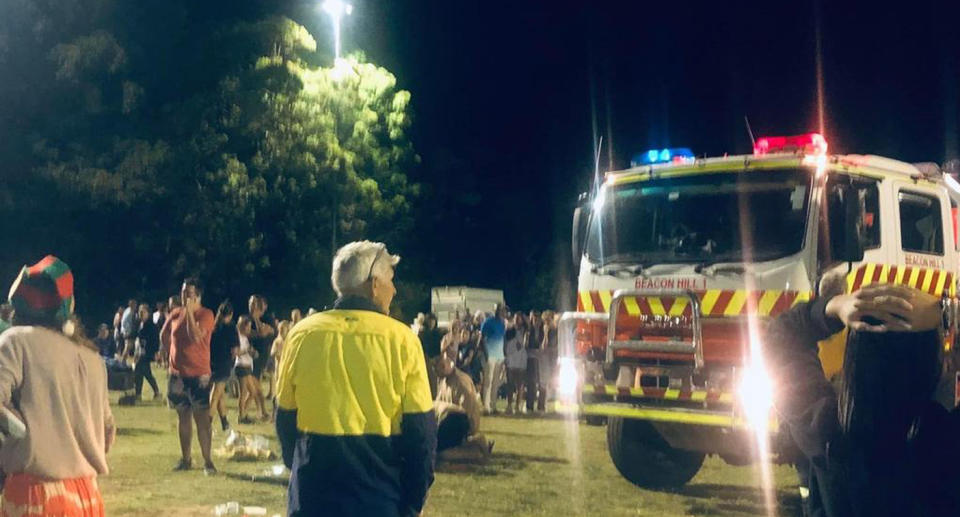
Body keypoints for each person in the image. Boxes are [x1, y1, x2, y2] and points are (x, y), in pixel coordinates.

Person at [765, 281, 960, 517]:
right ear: (935, 361)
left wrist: (834, 307)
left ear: (856, 358)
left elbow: (780, 338)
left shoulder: (825, 432)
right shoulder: (946, 444)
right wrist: (948, 312)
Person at [276, 240, 436, 517]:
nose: (394, 289)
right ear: (374, 284)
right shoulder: (402, 340)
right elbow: (420, 435)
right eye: (391, 280)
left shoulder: (301, 335)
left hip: (312, 495)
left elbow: (285, 421)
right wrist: (412, 504)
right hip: (378, 497)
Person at [0, 255, 115, 516]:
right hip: (87, 496)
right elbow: (107, 434)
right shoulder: (91, 357)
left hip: (34, 495)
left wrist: (20, 432)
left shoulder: (16, 341)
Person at [160, 277, 217, 474]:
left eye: (189, 293)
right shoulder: (175, 313)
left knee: (202, 419)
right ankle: (186, 459)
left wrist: (190, 314)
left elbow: (195, 336)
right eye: (184, 292)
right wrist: (171, 355)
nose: (185, 296)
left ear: (198, 295)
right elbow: (164, 334)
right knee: (183, 416)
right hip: (178, 375)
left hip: (199, 375)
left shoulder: (206, 315)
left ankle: (208, 461)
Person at [209, 300, 237, 432]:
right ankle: (207, 423)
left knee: (220, 394)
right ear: (230, 314)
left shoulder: (213, 327)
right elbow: (234, 350)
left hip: (212, 362)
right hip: (224, 363)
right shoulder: (231, 327)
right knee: (216, 394)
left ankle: (225, 422)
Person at [235, 315, 267, 423]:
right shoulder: (238, 337)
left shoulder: (245, 338)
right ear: (242, 326)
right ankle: (241, 416)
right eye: (248, 327)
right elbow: (237, 352)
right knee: (243, 393)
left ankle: (243, 414)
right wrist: (247, 350)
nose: (249, 329)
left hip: (248, 366)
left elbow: (246, 350)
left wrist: (252, 353)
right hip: (241, 366)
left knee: (253, 392)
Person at [479, 303, 508, 413]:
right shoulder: (488, 322)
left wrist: (504, 354)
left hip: (499, 356)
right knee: (488, 381)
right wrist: (486, 353)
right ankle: (486, 406)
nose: (502, 312)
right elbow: (482, 338)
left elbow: (503, 339)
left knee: (496, 381)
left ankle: (493, 405)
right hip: (490, 355)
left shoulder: (502, 323)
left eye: (503, 310)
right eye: (501, 310)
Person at [134, 303, 161, 401]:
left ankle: (139, 394)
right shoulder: (140, 324)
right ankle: (153, 393)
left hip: (148, 352)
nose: (141, 314)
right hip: (142, 352)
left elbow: (155, 340)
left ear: (148, 313)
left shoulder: (151, 325)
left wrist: (155, 352)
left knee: (139, 370)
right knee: (144, 372)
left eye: (143, 312)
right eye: (139, 312)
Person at [503, 313, 527, 415]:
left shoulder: (525, 331)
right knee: (510, 384)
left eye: (519, 318)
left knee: (520, 385)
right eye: (516, 318)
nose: (517, 320)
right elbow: (506, 345)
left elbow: (522, 344)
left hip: (521, 361)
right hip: (511, 360)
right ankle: (509, 405)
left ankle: (518, 405)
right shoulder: (509, 331)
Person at [418, 313, 443, 398]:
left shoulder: (438, 333)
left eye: (433, 321)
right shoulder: (422, 333)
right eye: (430, 321)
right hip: (426, 358)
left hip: (436, 358)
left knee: (435, 380)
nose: (432, 323)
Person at [525, 310, 545, 412]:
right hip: (531, 358)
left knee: (542, 382)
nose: (536, 321)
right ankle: (529, 405)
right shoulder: (529, 330)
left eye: (538, 319)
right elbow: (526, 345)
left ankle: (541, 406)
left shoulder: (543, 330)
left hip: (541, 359)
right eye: (534, 319)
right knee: (531, 383)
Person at [120, 299, 138, 363]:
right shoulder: (128, 312)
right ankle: (123, 361)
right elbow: (124, 322)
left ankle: (127, 361)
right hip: (128, 332)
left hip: (132, 331)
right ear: (131, 305)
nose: (135, 306)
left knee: (131, 347)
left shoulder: (133, 311)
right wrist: (126, 331)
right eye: (134, 304)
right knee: (127, 347)